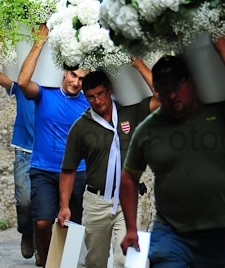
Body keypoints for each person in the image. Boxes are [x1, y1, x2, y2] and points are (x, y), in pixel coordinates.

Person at [119, 34, 225, 268]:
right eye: (163, 90)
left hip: (215, 234)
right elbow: (128, 178)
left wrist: (223, 48)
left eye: (176, 87)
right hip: (171, 233)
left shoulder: (219, 115)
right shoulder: (148, 130)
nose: (171, 96)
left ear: (191, 82)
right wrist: (131, 228)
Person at [58, 59, 160, 268]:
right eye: (91, 97)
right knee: (95, 262)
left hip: (128, 200)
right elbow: (68, 169)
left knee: (127, 261)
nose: (97, 101)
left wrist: (138, 63)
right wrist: (64, 206)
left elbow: (161, 98)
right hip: (96, 202)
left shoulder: (130, 113)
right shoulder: (81, 127)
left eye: (101, 93)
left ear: (110, 90)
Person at [17, 24, 89, 267]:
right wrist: (39, 42)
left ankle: (65, 262)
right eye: (73, 75)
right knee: (42, 222)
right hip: (44, 170)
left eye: (81, 78)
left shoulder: (88, 104)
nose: (76, 82)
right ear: (64, 73)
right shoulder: (45, 94)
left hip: (77, 172)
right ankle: (45, 258)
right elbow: (23, 81)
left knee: (70, 225)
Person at [0, 43, 38, 262]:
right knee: (24, 202)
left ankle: (43, 250)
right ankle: (27, 233)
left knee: (49, 208)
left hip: (50, 155)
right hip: (25, 153)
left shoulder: (58, 90)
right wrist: (2, 42)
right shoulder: (20, 86)